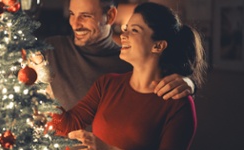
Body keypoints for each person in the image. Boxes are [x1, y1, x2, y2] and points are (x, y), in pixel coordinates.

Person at [49, 2, 207, 150]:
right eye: (126, 28)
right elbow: (67, 125)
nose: (124, 35)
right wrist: (41, 84)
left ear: (158, 46)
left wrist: (108, 149)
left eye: (134, 30)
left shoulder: (178, 105)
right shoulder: (107, 83)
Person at [31, 0, 196, 111]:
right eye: (72, 14)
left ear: (110, 16)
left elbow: (169, 87)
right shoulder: (50, 49)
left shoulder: (129, 61)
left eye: (86, 16)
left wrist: (189, 83)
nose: (75, 23)